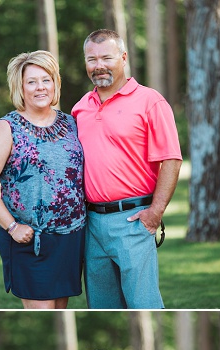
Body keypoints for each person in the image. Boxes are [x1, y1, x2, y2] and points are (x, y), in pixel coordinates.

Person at [71, 29, 182, 309]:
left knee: (143, 303)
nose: (99, 66)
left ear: (123, 58)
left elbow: (171, 159)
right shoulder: (80, 108)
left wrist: (155, 212)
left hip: (133, 219)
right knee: (100, 304)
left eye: (106, 57)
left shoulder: (150, 101)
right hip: (92, 224)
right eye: (91, 59)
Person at [0, 51, 86, 309]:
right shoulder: (8, 127)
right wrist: (12, 227)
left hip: (70, 239)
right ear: (20, 87)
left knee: (58, 308)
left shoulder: (71, 124)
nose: (40, 88)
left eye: (46, 80)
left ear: (55, 83)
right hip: (29, 239)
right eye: (32, 81)